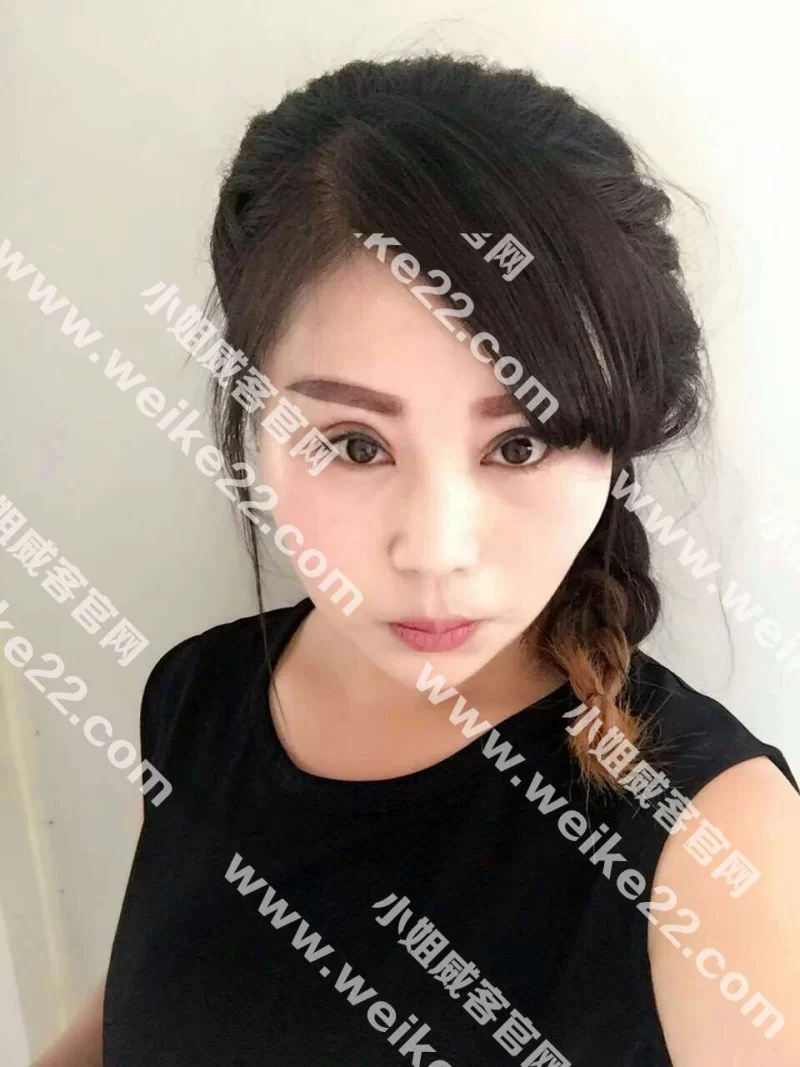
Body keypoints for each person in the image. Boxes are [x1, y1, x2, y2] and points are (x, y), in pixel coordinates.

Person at [32, 53, 800, 1067]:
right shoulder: (193, 699)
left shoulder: (719, 839)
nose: (435, 550)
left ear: (616, 444)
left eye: (520, 443)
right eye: (354, 444)